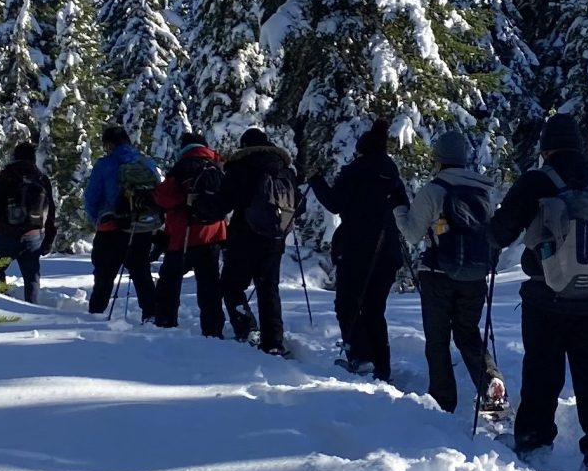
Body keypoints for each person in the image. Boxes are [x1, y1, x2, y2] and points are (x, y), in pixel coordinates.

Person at [488, 112, 588, 471]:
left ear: (546, 147)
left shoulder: (537, 181)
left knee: (542, 370)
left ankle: (534, 445)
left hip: (545, 298)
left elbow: (499, 233)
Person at [401, 129, 508, 418]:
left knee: (437, 339)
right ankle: (491, 384)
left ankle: (442, 404)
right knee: (468, 334)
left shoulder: (433, 190)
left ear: (438, 159)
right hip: (474, 276)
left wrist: (400, 211)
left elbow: (412, 234)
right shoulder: (484, 191)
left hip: (437, 273)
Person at [307, 120, 409, 379]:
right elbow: (402, 207)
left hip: (356, 248)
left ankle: (362, 358)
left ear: (361, 149)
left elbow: (334, 203)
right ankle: (382, 367)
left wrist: (316, 180)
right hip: (387, 249)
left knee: (347, 305)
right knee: (375, 309)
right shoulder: (391, 172)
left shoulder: (355, 170)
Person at [219, 126, 300, 355]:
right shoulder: (285, 170)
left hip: (244, 237)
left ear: (245, 146)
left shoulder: (241, 167)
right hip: (275, 238)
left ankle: (248, 329)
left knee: (231, 285)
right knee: (268, 289)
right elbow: (298, 205)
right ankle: (274, 342)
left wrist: (199, 206)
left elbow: (222, 203)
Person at [151, 133, 230, 336]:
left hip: (183, 234)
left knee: (170, 279)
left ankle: (165, 322)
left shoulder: (183, 166)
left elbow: (163, 196)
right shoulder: (217, 167)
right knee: (209, 284)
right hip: (213, 235)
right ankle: (213, 329)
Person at [82, 126, 162, 317]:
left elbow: (91, 198)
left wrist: (98, 220)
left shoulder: (104, 164)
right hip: (141, 227)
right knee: (141, 270)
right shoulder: (146, 163)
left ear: (108, 144)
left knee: (104, 274)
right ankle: (151, 313)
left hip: (111, 227)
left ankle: (96, 312)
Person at [0, 142, 57, 305]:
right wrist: (48, 238)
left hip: (8, 233)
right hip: (33, 234)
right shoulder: (40, 177)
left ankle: (2, 302)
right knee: (31, 275)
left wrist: (0, 225)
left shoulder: (8, 175)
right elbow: (50, 210)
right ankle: (32, 307)